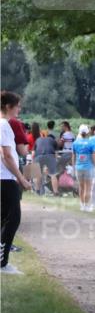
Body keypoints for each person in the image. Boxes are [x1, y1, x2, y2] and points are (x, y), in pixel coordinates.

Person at [1, 92, 32, 275]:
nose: (19, 109)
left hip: (4, 177)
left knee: (5, 218)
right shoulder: (4, 125)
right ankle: (3, 263)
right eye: (17, 105)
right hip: (5, 179)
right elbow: (6, 156)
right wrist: (21, 178)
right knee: (13, 219)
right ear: (8, 106)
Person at [71, 125, 95, 212]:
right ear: (87, 133)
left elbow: (73, 156)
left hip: (78, 167)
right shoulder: (91, 143)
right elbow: (93, 157)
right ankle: (87, 206)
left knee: (81, 188)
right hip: (88, 168)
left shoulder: (75, 143)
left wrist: (73, 167)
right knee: (88, 188)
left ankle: (82, 205)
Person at [33, 123, 58, 196]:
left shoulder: (37, 140)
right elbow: (56, 152)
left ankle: (37, 191)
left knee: (38, 174)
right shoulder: (52, 139)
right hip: (50, 155)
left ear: (41, 134)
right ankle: (55, 192)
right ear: (47, 134)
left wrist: (33, 161)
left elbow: (33, 153)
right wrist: (55, 160)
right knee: (53, 174)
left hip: (39, 156)